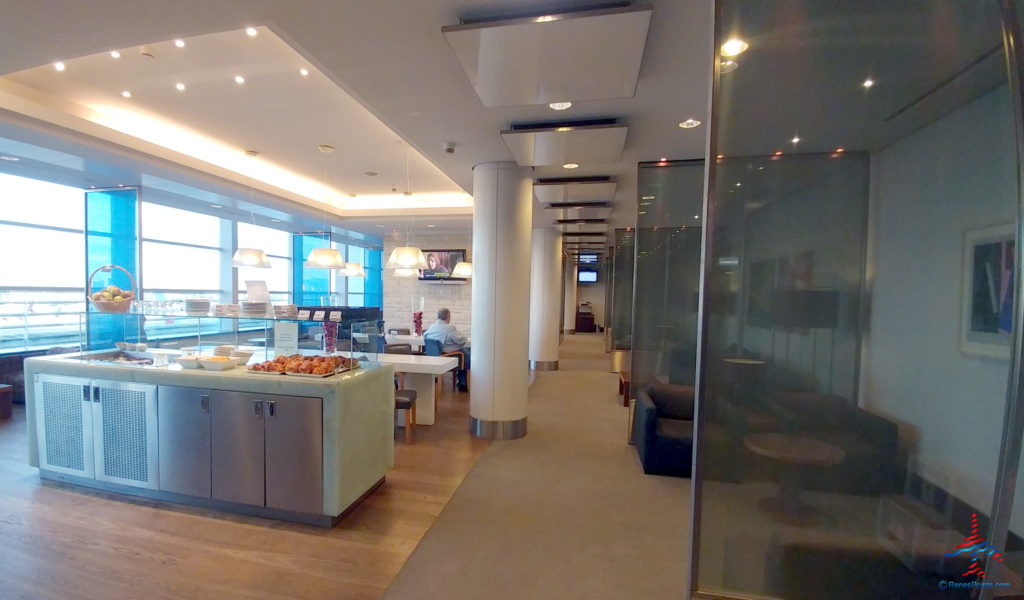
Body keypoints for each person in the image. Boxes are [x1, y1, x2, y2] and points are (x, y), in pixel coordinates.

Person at [423, 307, 470, 392]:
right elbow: (461, 340)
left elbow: (425, 337)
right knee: (469, 356)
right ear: (448, 317)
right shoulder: (449, 328)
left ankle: (463, 382)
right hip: (448, 356)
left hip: (434, 357)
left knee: (464, 354)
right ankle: (464, 384)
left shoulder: (432, 327)